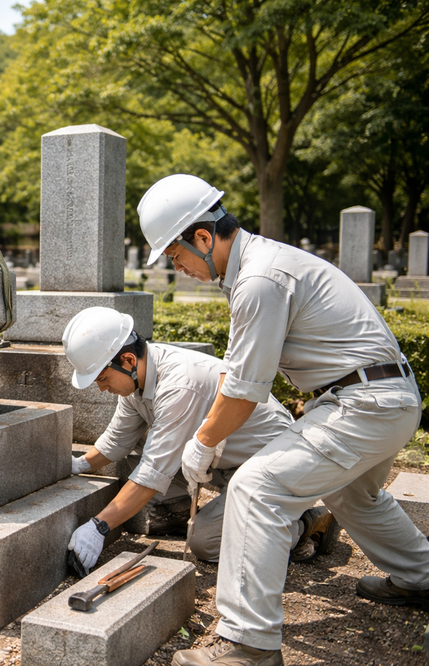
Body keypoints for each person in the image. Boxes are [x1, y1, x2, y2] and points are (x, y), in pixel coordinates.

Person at [138, 174, 429, 666]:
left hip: (365, 402)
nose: (179, 266)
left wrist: (203, 442)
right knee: (353, 493)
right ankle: (421, 577)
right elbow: (245, 374)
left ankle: (246, 645)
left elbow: (245, 391)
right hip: (383, 397)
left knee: (257, 486)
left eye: (176, 254)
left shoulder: (258, 280)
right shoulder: (260, 266)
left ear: (204, 238)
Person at [63, 307, 329, 576]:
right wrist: (76, 465)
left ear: (129, 360)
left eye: (102, 378)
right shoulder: (137, 384)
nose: (101, 388)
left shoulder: (180, 384)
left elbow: (153, 472)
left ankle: (305, 523)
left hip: (273, 465)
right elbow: (117, 441)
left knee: (206, 543)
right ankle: (212, 514)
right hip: (228, 464)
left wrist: (100, 526)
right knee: (144, 450)